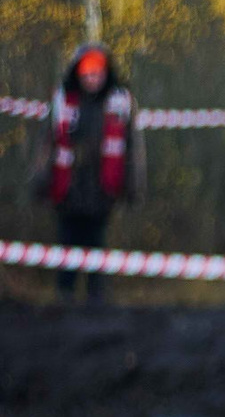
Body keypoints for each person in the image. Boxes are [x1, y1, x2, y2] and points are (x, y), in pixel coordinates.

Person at [26, 43, 144, 301]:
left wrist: (133, 186)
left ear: (106, 73)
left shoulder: (121, 102)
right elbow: (46, 145)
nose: (92, 79)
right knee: (66, 245)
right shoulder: (62, 100)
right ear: (77, 73)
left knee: (97, 245)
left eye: (97, 73)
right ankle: (63, 297)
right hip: (67, 188)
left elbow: (134, 148)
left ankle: (96, 299)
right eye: (87, 73)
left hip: (102, 191)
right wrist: (39, 182)